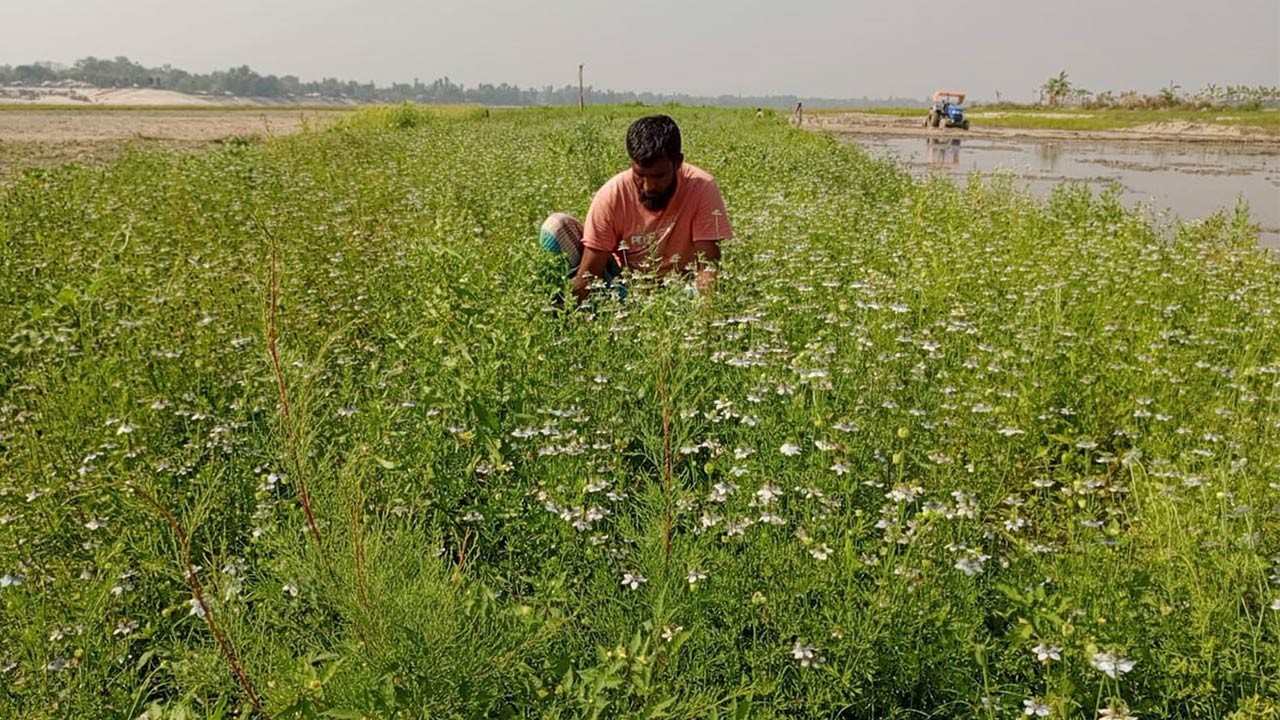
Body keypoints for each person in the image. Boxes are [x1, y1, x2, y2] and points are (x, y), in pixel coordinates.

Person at [540, 115, 733, 302]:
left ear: (678, 163)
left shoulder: (701, 188)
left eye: (659, 176)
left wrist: (708, 324)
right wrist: (553, 307)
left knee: (706, 292)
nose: (649, 187)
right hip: (624, 285)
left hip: (679, 288)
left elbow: (708, 267)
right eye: (640, 175)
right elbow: (590, 275)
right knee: (556, 226)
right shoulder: (612, 195)